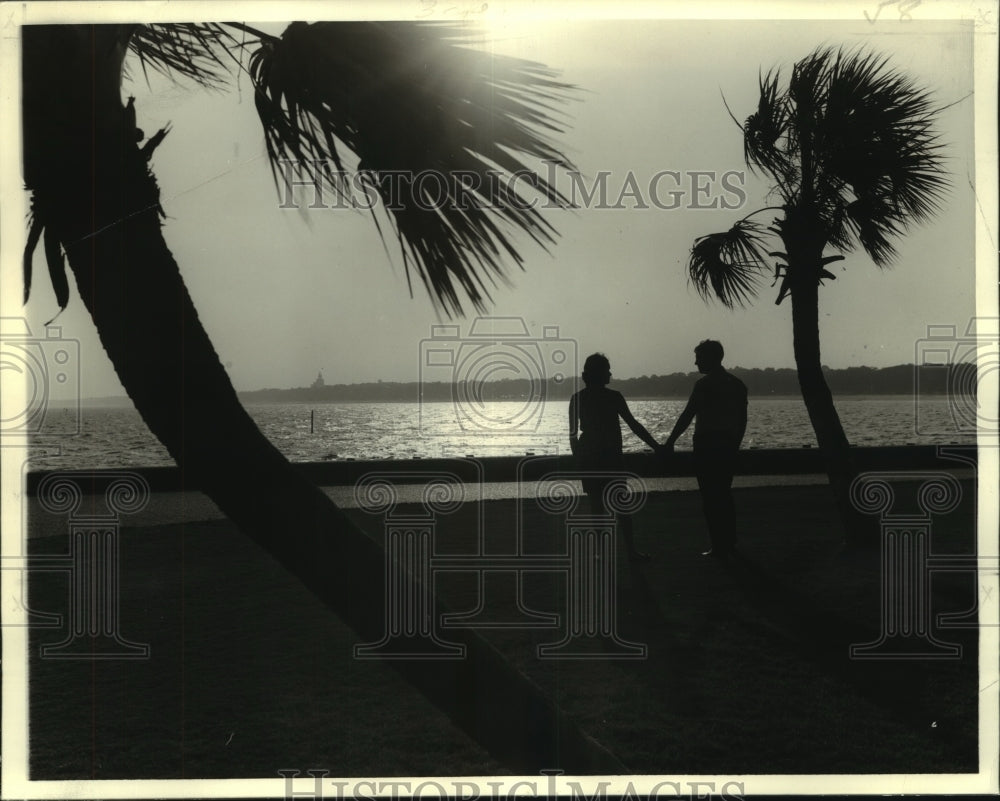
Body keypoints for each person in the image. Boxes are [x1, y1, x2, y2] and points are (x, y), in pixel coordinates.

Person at [568, 353, 661, 561]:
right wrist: (656, 446)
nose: (610, 373)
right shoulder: (614, 397)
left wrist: (578, 459)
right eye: (607, 369)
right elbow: (634, 425)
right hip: (610, 457)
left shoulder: (577, 399)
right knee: (621, 505)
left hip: (591, 458)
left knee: (597, 506)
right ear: (600, 374)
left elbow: (572, 435)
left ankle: (602, 551)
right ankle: (629, 550)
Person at [662, 340, 748, 558]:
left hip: (707, 444)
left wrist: (670, 441)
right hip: (727, 444)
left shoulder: (704, 385)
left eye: (699, 358)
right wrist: (735, 445)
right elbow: (742, 420)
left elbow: (688, 415)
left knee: (710, 497)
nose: (695, 362)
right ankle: (728, 542)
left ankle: (719, 544)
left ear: (711, 358)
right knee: (723, 494)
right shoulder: (737, 384)